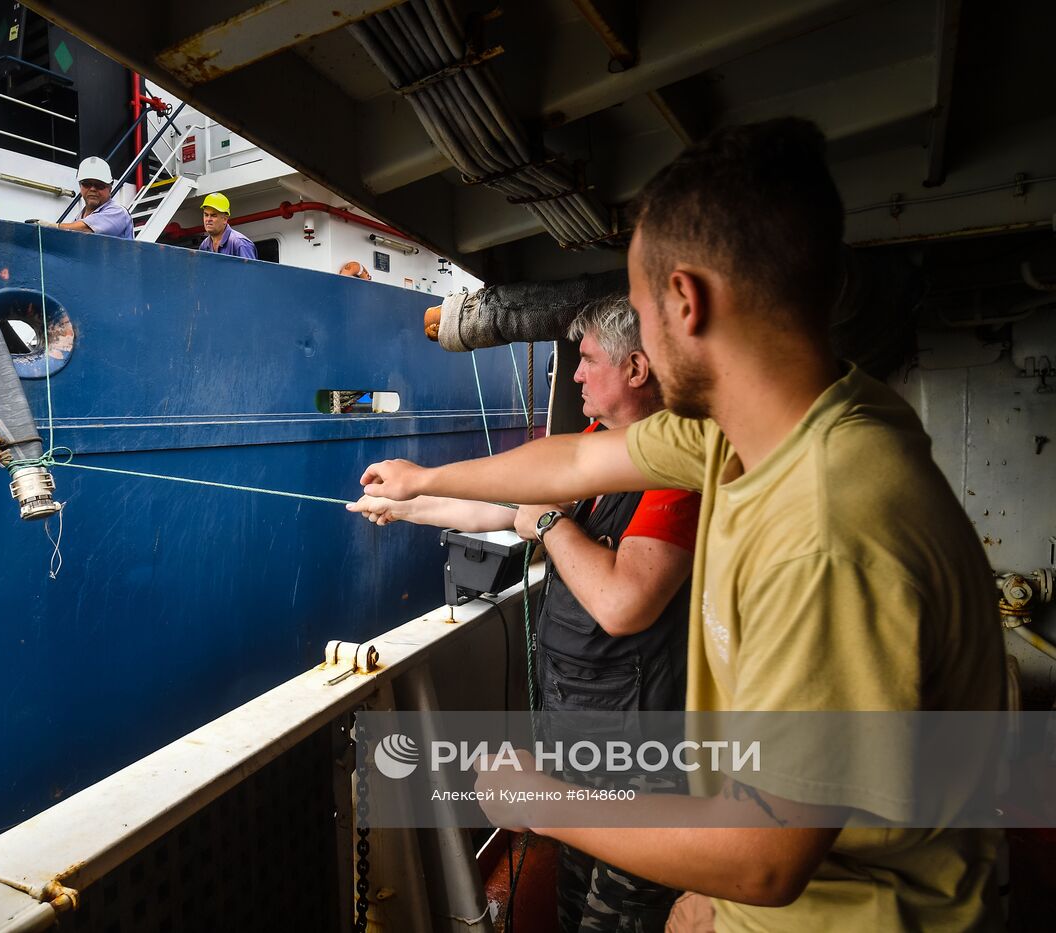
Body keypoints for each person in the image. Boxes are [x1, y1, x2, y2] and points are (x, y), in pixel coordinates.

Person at [358, 118, 1005, 932]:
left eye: (637, 308)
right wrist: (423, 480)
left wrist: (540, 801)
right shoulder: (743, 431)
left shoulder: (828, 527)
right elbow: (568, 466)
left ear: (685, 302)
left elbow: (769, 855)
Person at [351, 298, 700, 933]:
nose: (574, 375)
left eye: (588, 359)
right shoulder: (597, 445)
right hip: (578, 739)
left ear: (638, 368)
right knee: (571, 902)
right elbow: (496, 509)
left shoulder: (677, 466)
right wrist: (407, 504)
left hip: (640, 757)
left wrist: (547, 525)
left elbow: (624, 602)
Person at [32, 157, 134, 239]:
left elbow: (85, 228)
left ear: (110, 188)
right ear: (80, 185)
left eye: (99, 185)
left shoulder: (118, 212)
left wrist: (52, 226)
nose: (93, 189)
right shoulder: (79, 217)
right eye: (87, 184)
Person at [197, 192, 256, 259]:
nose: (208, 219)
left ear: (225, 219)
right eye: (206, 215)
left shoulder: (240, 244)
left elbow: (249, 269)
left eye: (213, 215)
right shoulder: (204, 246)